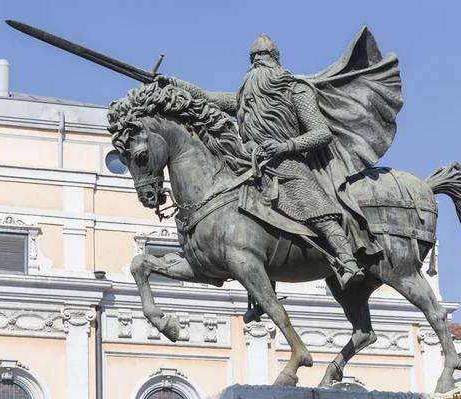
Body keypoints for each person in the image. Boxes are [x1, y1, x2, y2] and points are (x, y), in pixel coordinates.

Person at [156, 27, 403, 289]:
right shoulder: (245, 97)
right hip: (251, 167)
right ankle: (258, 290)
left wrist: (285, 146)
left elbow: (322, 134)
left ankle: (346, 260)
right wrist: (172, 84)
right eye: (254, 59)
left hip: (290, 163)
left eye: (262, 57)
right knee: (241, 225)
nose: (258, 64)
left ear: (275, 59)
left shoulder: (296, 90)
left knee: (314, 207)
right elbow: (205, 98)